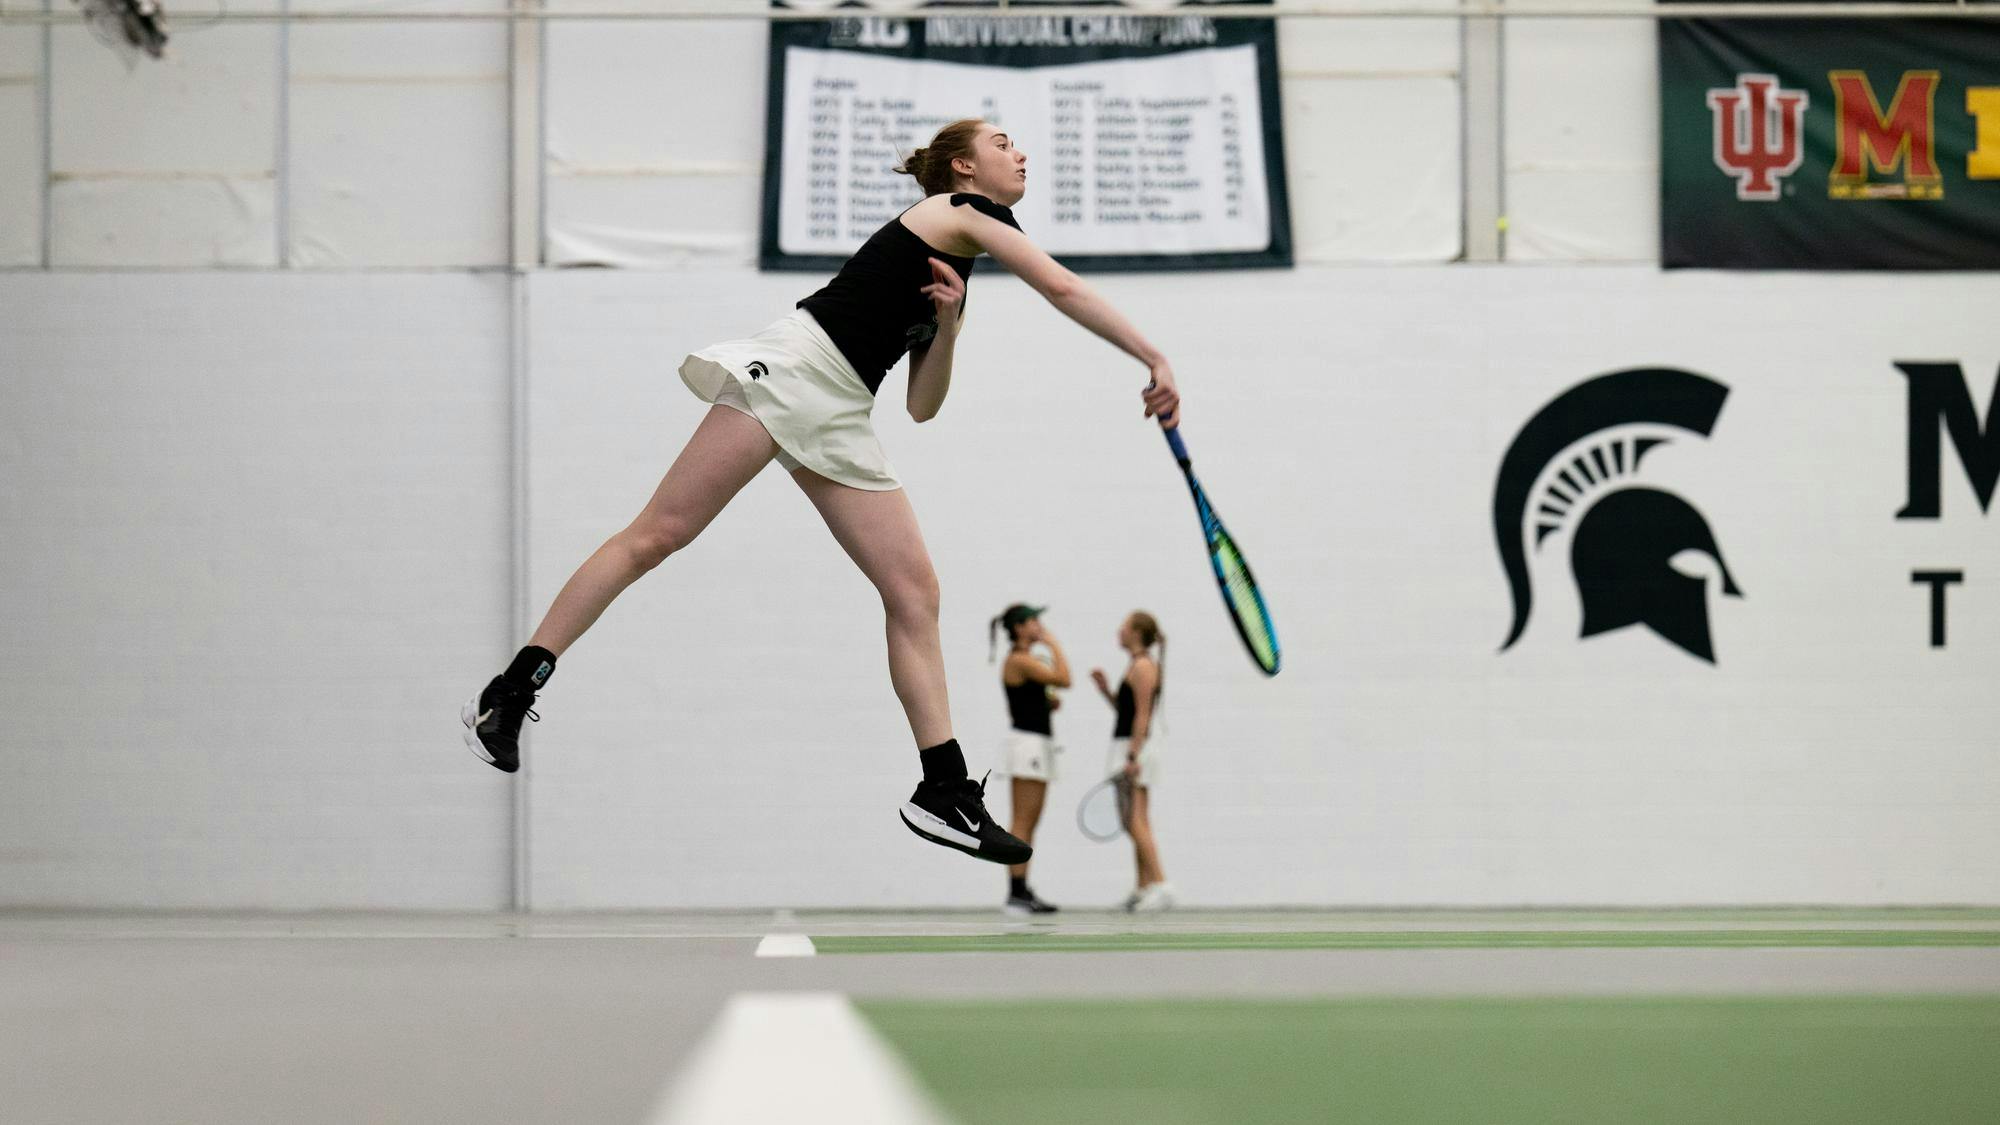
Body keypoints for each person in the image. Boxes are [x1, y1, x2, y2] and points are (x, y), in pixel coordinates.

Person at [459, 118, 1181, 870]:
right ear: (964, 168)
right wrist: (1153, 355)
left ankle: (943, 788)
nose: (1021, 152)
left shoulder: (957, 264)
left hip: (841, 410)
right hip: (798, 369)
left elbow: (922, 406)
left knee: (915, 592)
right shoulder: (961, 214)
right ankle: (511, 688)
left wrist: (947, 322)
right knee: (659, 535)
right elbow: (1059, 285)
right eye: (1004, 144)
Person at [1090, 611, 1172, 910]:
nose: (1119, 631)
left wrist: (1134, 755)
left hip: (1135, 749)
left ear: (1137, 632)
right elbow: (1126, 712)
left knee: (1136, 820)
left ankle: (1162, 884)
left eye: (1124, 627)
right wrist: (1106, 692)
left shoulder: (1144, 666)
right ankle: (1143, 887)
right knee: (1133, 820)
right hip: (1127, 745)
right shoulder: (1136, 665)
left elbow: (1143, 715)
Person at [991, 604, 1069, 914]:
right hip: (1028, 747)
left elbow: (1025, 702)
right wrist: (1053, 644)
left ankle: (1021, 890)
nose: (1039, 625)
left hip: (1038, 744)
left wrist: (1045, 704)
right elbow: (1064, 678)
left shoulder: (1025, 662)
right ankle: (1016, 893)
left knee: (1030, 821)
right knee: (1023, 820)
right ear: (1020, 628)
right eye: (1033, 621)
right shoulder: (1020, 660)